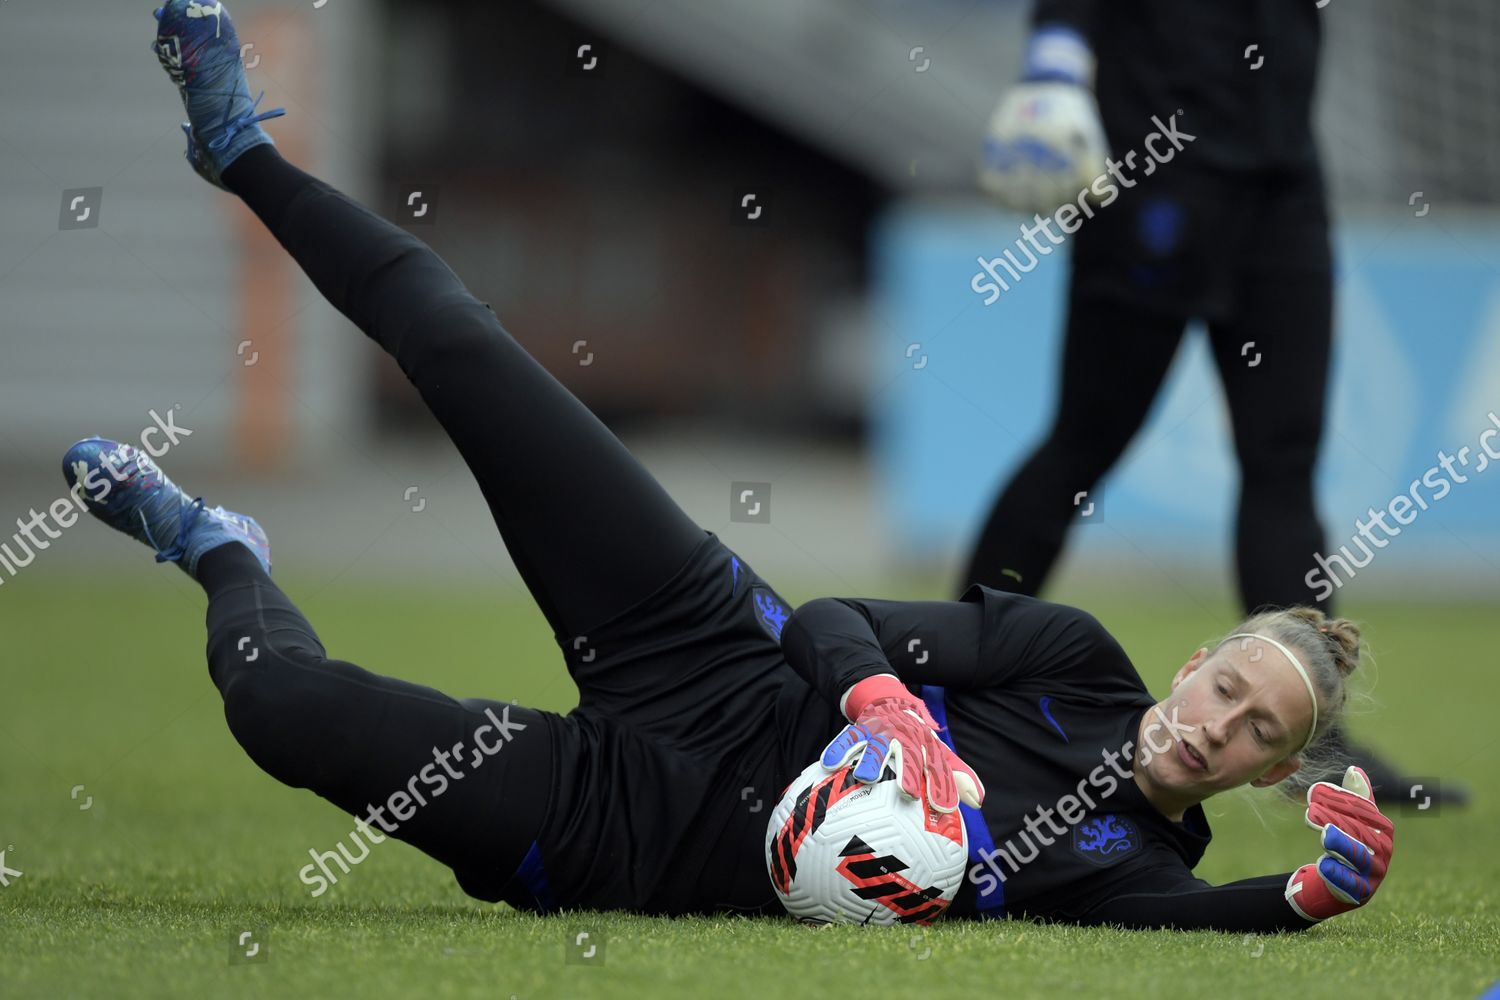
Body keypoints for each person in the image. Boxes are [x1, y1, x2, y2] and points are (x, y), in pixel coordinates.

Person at [73, 1, 1395, 932]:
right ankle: (239, 149)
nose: (1219, 722)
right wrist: (880, 700)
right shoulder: (1073, 659)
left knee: (282, 715)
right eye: (1229, 686)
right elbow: (838, 618)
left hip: (633, 835)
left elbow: (1219, 921)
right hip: (713, 647)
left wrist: (1311, 896)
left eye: (1258, 734)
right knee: (462, 344)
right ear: (1194, 663)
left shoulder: (1138, 874)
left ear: (1270, 775)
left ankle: (218, 549)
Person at [968, 0, 1459, 803]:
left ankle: (1320, 747)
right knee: (1084, 443)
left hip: (1283, 175)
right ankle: (946, 685)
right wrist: (1055, 57)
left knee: (1284, 461)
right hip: (1156, 168)